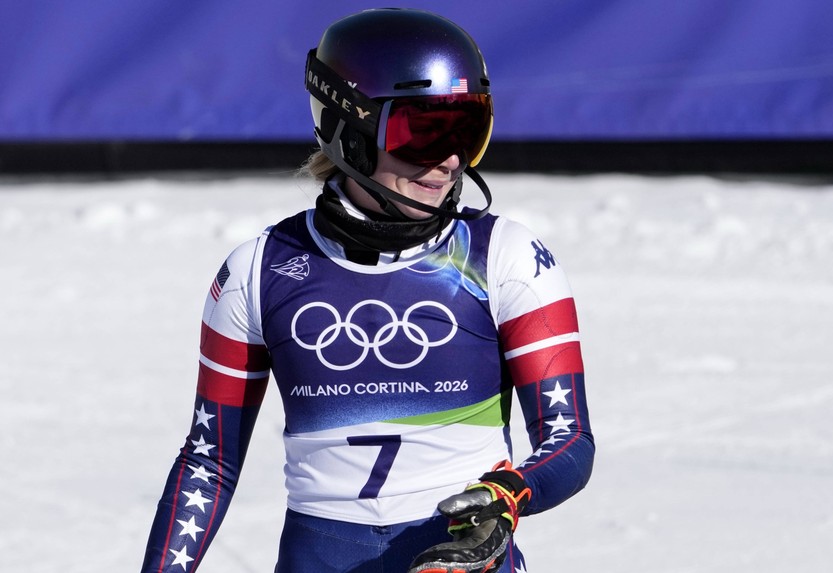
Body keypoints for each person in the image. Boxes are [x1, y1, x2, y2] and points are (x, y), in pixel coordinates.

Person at [140, 8, 594, 573]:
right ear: (348, 132)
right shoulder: (258, 270)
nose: (450, 160)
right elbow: (209, 464)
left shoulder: (507, 257)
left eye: (468, 131)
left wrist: (505, 497)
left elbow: (570, 440)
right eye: (424, 133)